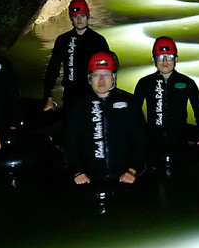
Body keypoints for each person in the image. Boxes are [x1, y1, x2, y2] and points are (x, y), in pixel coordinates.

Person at [63, 51, 147, 184]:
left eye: (106, 74)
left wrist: (132, 170)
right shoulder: (78, 107)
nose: (101, 80)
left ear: (113, 77)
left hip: (125, 178)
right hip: (88, 180)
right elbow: (70, 143)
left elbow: (141, 140)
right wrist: (77, 171)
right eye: (96, 75)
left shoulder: (129, 105)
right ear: (90, 78)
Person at [133, 36, 199, 160]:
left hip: (180, 142)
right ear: (154, 60)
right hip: (153, 143)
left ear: (176, 59)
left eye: (169, 57)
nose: (165, 61)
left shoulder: (187, 83)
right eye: (160, 57)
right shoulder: (145, 83)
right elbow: (134, 113)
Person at [42, 0, 109, 111]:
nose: (79, 20)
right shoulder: (63, 40)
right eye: (75, 16)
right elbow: (53, 69)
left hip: (93, 95)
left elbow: (108, 71)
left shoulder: (98, 41)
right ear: (70, 18)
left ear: (88, 15)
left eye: (82, 16)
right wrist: (48, 97)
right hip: (70, 95)